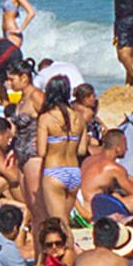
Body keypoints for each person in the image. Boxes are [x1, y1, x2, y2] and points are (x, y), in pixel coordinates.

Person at [37, 74, 88, 230]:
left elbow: (41, 151)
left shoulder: (46, 118)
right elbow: (81, 150)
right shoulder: (79, 117)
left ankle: (71, 252)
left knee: (59, 226)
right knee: (64, 221)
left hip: (54, 172)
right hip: (74, 172)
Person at [79, 130, 133, 220]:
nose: (127, 149)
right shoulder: (114, 168)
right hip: (95, 210)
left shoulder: (89, 160)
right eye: (125, 145)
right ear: (117, 148)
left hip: (84, 206)